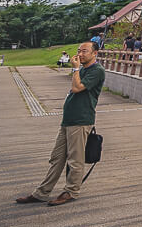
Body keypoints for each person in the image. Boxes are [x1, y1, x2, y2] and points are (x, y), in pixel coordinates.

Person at [16, 41, 105, 206]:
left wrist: (76, 69)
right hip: (68, 120)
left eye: (85, 51)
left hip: (81, 120)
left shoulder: (97, 70)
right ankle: (42, 193)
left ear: (95, 53)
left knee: (75, 159)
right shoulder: (84, 69)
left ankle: (71, 191)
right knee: (56, 158)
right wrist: (78, 69)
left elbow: (77, 88)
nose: (80, 54)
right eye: (79, 50)